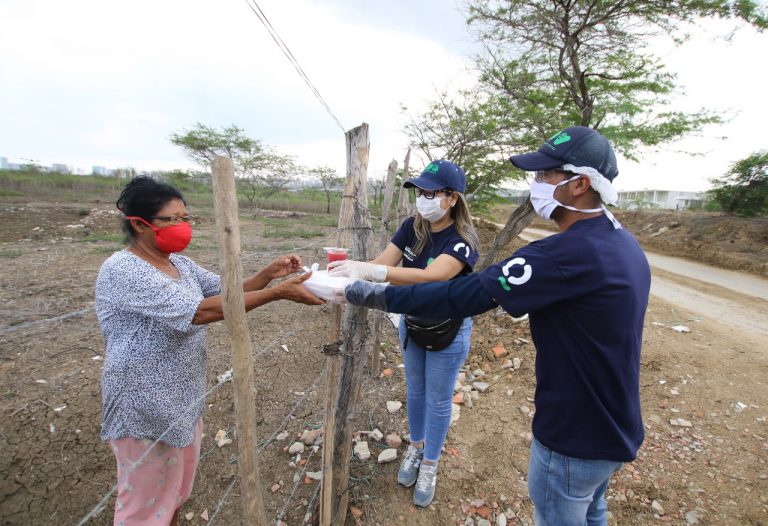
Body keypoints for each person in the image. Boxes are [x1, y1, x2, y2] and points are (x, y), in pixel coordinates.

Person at [342, 127, 651, 525]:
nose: (534, 185)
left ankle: (428, 460)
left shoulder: (561, 254)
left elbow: (456, 294)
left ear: (581, 184)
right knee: (593, 515)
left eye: (544, 176)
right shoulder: (623, 243)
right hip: (613, 424)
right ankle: (417, 449)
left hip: (574, 437)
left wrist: (364, 292)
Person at [95, 176, 323, 526]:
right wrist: (278, 293)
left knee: (170, 497)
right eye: (172, 219)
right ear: (140, 225)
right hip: (142, 408)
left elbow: (225, 291)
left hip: (180, 401)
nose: (183, 226)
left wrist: (269, 274)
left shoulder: (176, 262)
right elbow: (202, 311)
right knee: (144, 507)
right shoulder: (124, 270)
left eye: (185, 217)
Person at [327, 160, 480, 507]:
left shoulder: (462, 241)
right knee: (415, 391)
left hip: (448, 330)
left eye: (431, 193)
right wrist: (350, 276)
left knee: (439, 399)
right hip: (412, 323)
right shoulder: (413, 226)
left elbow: (433, 277)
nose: (422, 199)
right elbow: (387, 260)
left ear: (452, 198)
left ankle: (430, 463)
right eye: (420, 192)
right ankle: (416, 446)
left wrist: (372, 271)